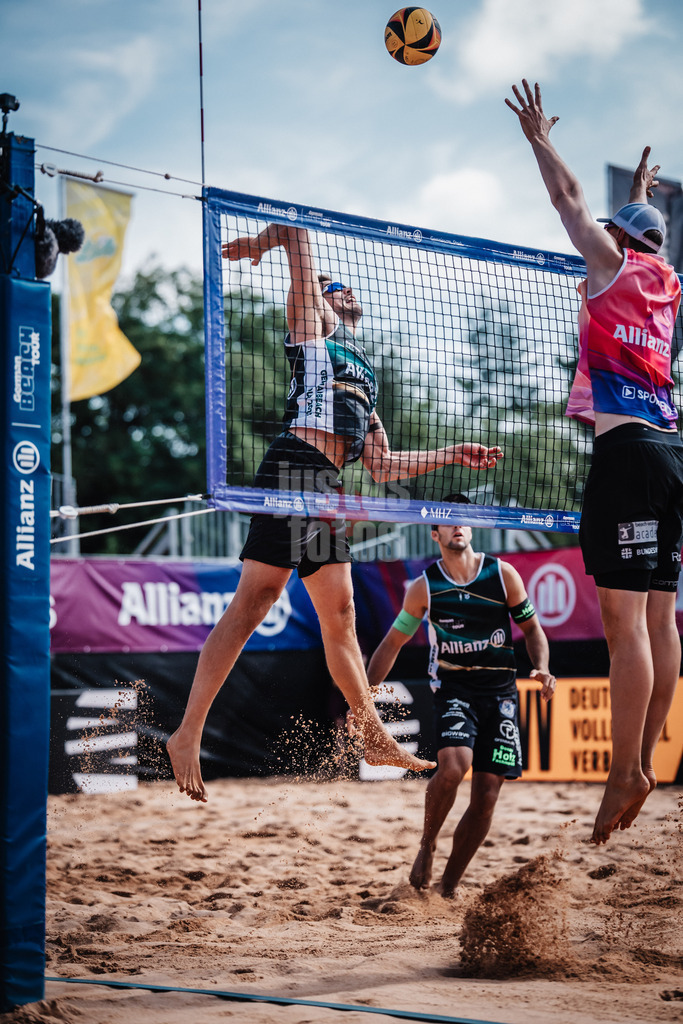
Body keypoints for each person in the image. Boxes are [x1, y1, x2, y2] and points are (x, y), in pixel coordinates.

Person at [167, 223, 504, 802]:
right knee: (257, 605)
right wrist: (259, 246)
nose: (346, 293)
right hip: (295, 468)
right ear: (321, 300)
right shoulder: (311, 332)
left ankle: (369, 734)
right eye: (334, 287)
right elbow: (297, 232)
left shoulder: (364, 372)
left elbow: (383, 464)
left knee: (335, 613)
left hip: (325, 484)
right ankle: (189, 731)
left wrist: (454, 454)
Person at [506, 80, 683, 844]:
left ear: (622, 243)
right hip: (672, 452)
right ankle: (641, 760)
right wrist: (642, 199)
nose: (596, 244)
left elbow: (570, 200)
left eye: (613, 235)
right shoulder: (667, 285)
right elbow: (644, 233)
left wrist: (539, 141)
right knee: (658, 614)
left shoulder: (615, 269)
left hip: (628, 457)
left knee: (623, 625)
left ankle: (621, 769)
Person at [360, 496, 555, 896]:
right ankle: (427, 844)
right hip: (454, 689)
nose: (457, 527)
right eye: (449, 523)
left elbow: (533, 630)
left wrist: (543, 667)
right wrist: (362, 695)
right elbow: (393, 642)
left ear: (473, 529)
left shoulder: (503, 575)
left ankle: (448, 888)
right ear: (435, 533)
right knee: (453, 766)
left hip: (501, 692)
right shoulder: (424, 587)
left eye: (464, 521)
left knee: (486, 795)